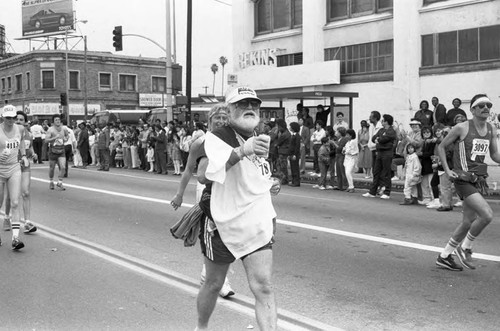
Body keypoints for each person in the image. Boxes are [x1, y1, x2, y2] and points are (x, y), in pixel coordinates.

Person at [194, 86, 278, 331]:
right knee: (213, 283)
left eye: (254, 104)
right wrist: (242, 151)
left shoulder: (259, 135)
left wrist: (270, 183)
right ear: (229, 110)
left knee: (263, 286)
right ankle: (201, 327)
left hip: (257, 222)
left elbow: (253, 176)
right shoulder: (218, 136)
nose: (250, 108)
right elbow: (202, 175)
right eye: (242, 104)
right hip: (223, 224)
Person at [170, 103, 235, 299]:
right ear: (210, 120)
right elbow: (189, 170)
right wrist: (179, 195)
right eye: (218, 118)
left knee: (228, 234)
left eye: (225, 118)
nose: (222, 121)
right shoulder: (201, 143)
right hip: (207, 191)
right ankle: (221, 281)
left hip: (228, 190)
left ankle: (208, 273)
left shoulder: (233, 141)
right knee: (215, 232)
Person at [436, 94, 500, 271]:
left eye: (488, 105)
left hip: (478, 179)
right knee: (486, 215)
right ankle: (465, 248)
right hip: (462, 179)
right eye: (481, 105)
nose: (485, 108)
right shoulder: (461, 127)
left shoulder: (491, 129)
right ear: (472, 109)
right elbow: (441, 147)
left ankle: (445, 256)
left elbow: (494, 155)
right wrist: (448, 170)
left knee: (468, 221)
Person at [0, 105, 29, 249]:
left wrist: (23, 155)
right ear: (3, 117)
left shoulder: (20, 128)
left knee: (15, 202)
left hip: (14, 168)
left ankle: (16, 238)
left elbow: (22, 141)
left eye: (13, 117)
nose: (11, 120)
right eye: (8, 118)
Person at [362, 114, 397, 199]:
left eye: (383, 120)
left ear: (386, 122)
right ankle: (372, 191)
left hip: (387, 153)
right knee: (376, 172)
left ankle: (387, 192)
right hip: (379, 152)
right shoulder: (381, 130)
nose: (382, 122)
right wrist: (379, 139)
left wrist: (379, 139)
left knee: (386, 173)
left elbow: (384, 139)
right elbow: (374, 138)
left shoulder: (391, 131)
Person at [16, 110, 37, 233]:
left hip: (25, 165)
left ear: (25, 122)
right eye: (17, 119)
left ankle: (27, 222)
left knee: (26, 193)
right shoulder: (8, 133)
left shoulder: (29, 134)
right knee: (10, 198)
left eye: (21, 119)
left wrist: (34, 154)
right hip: (11, 166)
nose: (18, 121)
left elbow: (31, 147)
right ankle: (8, 217)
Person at [45, 114, 69, 190]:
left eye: (59, 120)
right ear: (53, 122)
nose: (58, 121)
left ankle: (60, 182)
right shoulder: (50, 130)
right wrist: (54, 138)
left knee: (63, 167)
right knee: (52, 168)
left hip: (61, 150)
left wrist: (65, 139)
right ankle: (51, 181)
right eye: (56, 120)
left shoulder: (64, 129)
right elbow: (46, 140)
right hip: (53, 151)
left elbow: (67, 135)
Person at [274, 119, 291, 185]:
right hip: (282, 151)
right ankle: (284, 178)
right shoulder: (285, 133)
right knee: (281, 165)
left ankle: (284, 179)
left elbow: (277, 143)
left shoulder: (285, 134)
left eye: (278, 127)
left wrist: (276, 132)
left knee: (282, 166)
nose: (278, 128)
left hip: (283, 152)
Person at [343, 129, 359, 193]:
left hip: (352, 158)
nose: (346, 136)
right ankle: (350, 186)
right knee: (347, 173)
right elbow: (345, 149)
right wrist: (344, 150)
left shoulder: (353, 141)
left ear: (351, 135)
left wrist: (345, 151)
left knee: (348, 172)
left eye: (348, 135)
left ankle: (352, 187)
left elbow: (350, 150)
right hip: (347, 158)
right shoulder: (348, 142)